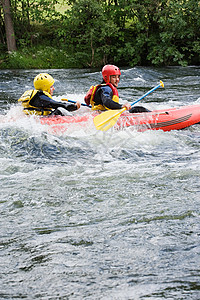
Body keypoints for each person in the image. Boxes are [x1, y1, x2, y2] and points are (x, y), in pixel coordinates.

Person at [84, 64, 150, 113]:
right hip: (104, 114)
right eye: (114, 77)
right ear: (106, 78)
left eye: (118, 77)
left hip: (100, 112)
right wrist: (121, 106)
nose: (117, 80)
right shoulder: (106, 88)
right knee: (138, 109)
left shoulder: (103, 87)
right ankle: (155, 115)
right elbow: (107, 101)